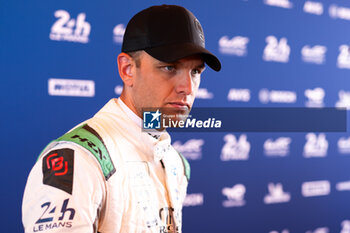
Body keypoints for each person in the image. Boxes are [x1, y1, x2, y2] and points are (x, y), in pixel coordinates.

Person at [22, 4, 221, 233]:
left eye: (195, 72)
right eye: (169, 67)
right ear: (128, 69)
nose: (187, 87)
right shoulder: (79, 158)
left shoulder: (176, 162)